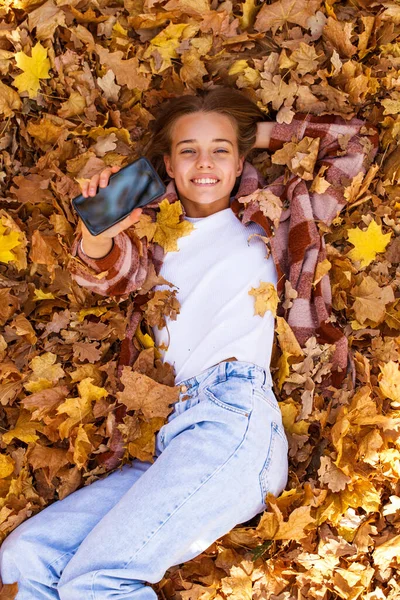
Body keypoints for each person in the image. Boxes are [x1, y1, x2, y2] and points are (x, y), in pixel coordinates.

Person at [0, 88, 379, 599]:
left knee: (97, 584)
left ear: (241, 157)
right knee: (25, 557)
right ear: (167, 166)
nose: (205, 162)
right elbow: (108, 277)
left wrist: (256, 135)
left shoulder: (279, 215)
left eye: (220, 149)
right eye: (188, 151)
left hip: (234, 421)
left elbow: (356, 143)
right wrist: (98, 234)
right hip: (167, 432)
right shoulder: (152, 237)